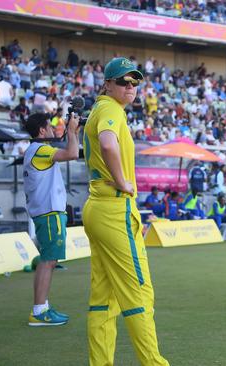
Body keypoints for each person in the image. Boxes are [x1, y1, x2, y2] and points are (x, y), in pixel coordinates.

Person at [82, 57, 169, 365]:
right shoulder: (109, 109)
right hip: (114, 207)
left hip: (98, 207)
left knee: (103, 299)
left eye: (134, 82)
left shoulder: (102, 108)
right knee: (139, 294)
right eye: (123, 81)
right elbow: (107, 144)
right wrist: (123, 182)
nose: (130, 87)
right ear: (108, 84)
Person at [23, 112, 79, 326]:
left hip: (43, 212)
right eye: (48, 126)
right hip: (49, 213)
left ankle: (41, 308)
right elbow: (73, 154)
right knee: (48, 262)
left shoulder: (33, 150)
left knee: (47, 261)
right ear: (41, 131)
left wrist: (72, 132)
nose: (52, 129)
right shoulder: (41, 150)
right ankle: (39, 312)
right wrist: (72, 132)